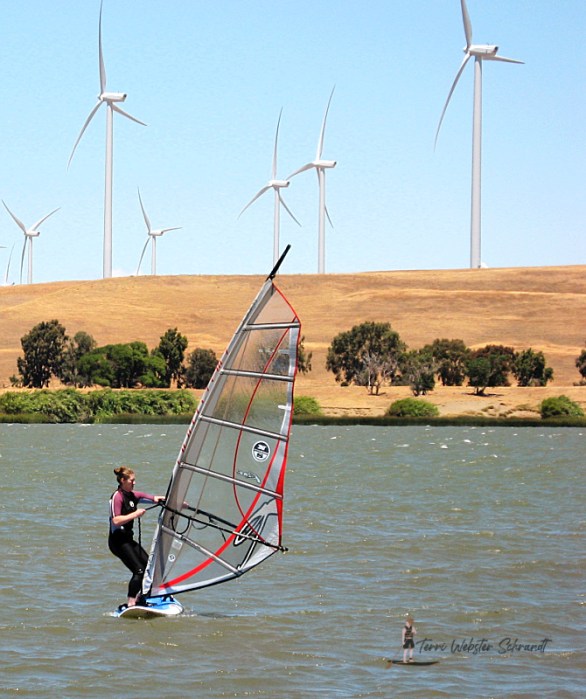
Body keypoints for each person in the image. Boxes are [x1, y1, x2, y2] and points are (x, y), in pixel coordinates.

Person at [108, 466, 165, 608]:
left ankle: (141, 597)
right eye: (132, 480)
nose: (134, 483)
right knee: (139, 570)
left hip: (128, 540)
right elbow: (115, 520)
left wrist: (177, 502)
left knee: (148, 567)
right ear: (123, 480)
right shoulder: (117, 497)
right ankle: (131, 602)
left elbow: (155, 498)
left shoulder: (133, 495)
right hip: (117, 541)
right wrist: (136, 514)